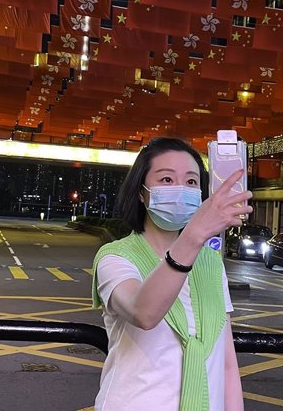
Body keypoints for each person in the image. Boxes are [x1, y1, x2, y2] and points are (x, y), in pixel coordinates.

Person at [92, 137, 252, 411]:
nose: (180, 188)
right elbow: (144, 312)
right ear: (141, 193)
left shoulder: (211, 264)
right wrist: (194, 235)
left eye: (191, 182)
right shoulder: (115, 257)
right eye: (166, 179)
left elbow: (225, 363)